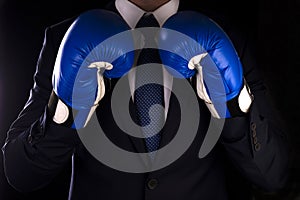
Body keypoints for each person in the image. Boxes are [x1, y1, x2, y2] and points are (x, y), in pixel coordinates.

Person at [2, 0, 290, 200]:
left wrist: (233, 100)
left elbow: (273, 175)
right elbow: (21, 173)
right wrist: (66, 107)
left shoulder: (228, 36)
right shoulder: (63, 37)